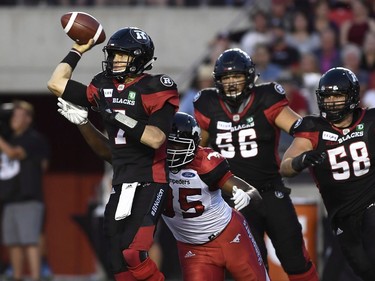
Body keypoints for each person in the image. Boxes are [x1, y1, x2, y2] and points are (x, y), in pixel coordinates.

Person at [55, 101, 270, 281]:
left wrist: (247, 195)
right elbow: (109, 153)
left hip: (230, 236)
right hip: (193, 248)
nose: (173, 151)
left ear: (195, 144)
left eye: (179, 145)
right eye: (170, 145)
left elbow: (249, 190)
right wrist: (84, 123)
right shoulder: (150, 161)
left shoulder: (206, 163)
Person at [47, 26, 179, 281]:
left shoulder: (156, 86)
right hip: (120, 181)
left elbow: (155, 139)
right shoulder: (103, 84)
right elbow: (55, 83)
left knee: (134, 252)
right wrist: (78, 49)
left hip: (151, 180)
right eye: (113, 54)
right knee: (117, 261)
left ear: (140, 58)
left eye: (123, 55)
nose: (115, 59)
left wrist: (115, 116)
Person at [193, 48, 319, 281]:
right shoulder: (207, 103)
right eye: (226, 78)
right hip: (233, 197)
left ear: (250, 77)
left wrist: (299, 155)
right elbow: (195, 151)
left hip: (270, 191)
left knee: (296, 259)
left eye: (237, 76)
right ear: (217, 81)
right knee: (252, 266)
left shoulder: (266, 97)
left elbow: (300, 129)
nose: (231, 83)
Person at [280, 66, 375, 281]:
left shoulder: (370, 121)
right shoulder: (314, 128)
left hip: (371, 204)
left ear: (351, 96)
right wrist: (300, 160)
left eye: (337, 96)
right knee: (364, 270)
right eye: (327, 96)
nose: (331, 102)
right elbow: (285, 165)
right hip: (341, 216)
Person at [0, 100, 50, 281]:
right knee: (13, 242)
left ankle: (36, 276)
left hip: (28, 197)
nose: (13, 118)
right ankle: (17, 276)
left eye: (18, 114)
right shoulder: (9, 139)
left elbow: (14, 153)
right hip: (9, 197)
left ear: (28, 119)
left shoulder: (33, 139)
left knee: (29, 240)